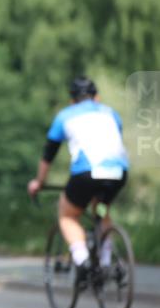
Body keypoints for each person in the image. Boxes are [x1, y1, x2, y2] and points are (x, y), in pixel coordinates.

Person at [27, 77, 129, 269]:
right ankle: (106, 258)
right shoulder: (111, 113)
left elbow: (49, 154)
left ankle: (82, 259)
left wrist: (39, 182)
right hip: (118, 172)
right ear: (96, 97)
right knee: (101, 208)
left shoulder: (65, 115)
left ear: (72, 100)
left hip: (87, 174)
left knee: (68, 215)